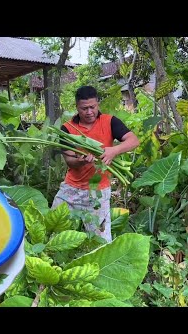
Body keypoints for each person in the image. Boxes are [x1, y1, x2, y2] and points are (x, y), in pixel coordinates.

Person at [51, 86, 139, 243]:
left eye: (93, 107)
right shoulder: (67, 128)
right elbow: (70, 161)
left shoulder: (110, 121)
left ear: (98, 104)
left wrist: (114, 150)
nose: (89, 112)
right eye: (84, 108)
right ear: (77, 107)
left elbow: (134, 140)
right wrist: (81, 160)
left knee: (101, 241)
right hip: (71, 188)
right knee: (53, 230)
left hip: (98, 190)